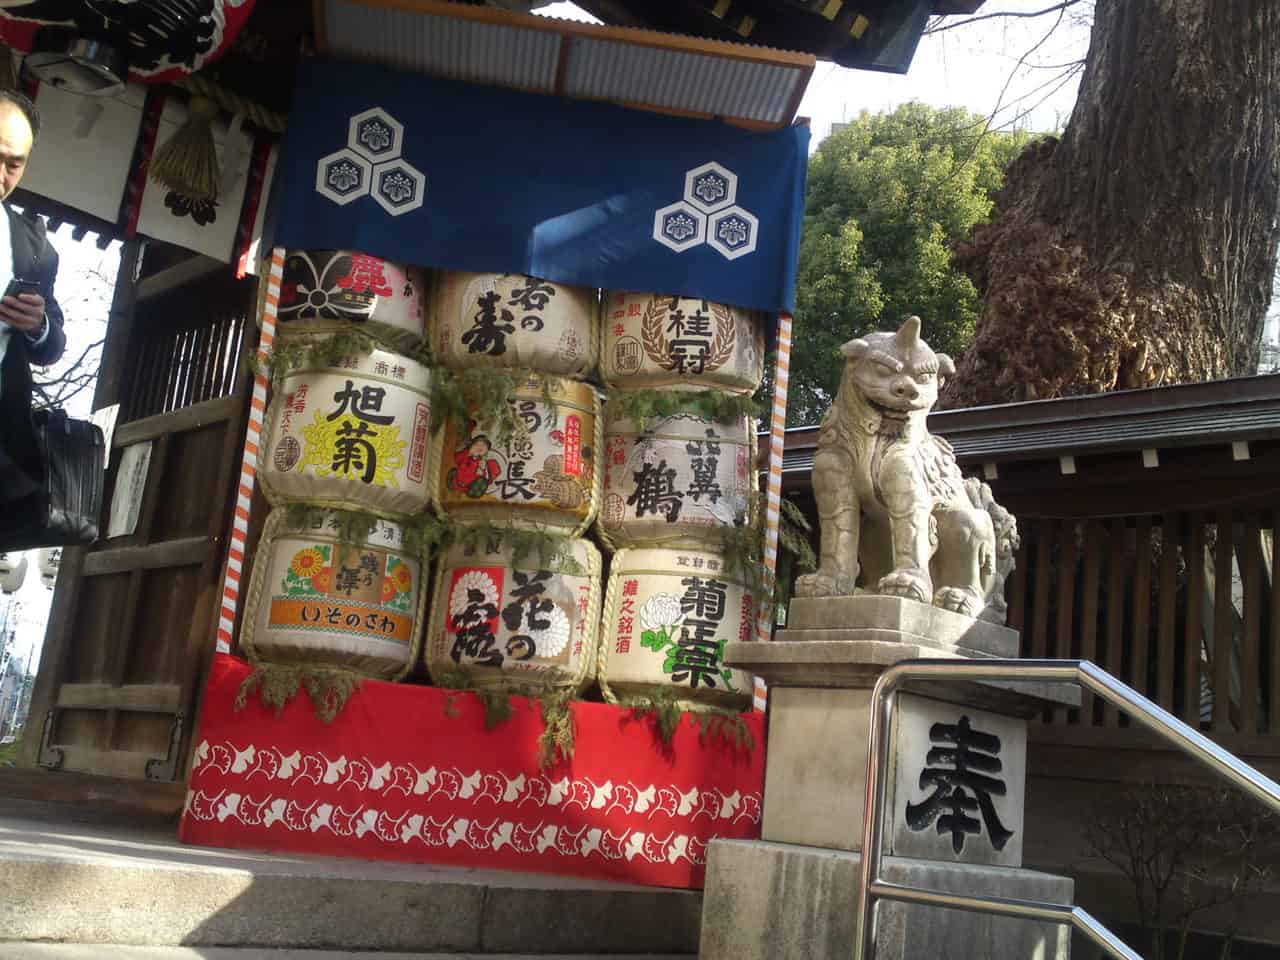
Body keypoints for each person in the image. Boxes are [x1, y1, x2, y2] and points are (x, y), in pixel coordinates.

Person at [0, 89, 66, 511]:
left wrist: (38, 326)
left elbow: (53, 345)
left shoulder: (35, 248)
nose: (2, 172)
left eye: (14, 164)